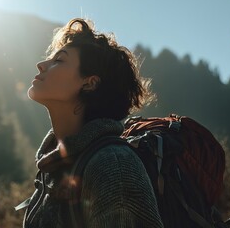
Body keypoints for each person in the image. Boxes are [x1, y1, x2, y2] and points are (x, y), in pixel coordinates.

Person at [21, 18, 163, 227]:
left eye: (59, 60)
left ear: (90, 83)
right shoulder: (52, 169)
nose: (41, 65)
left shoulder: (113, 165)